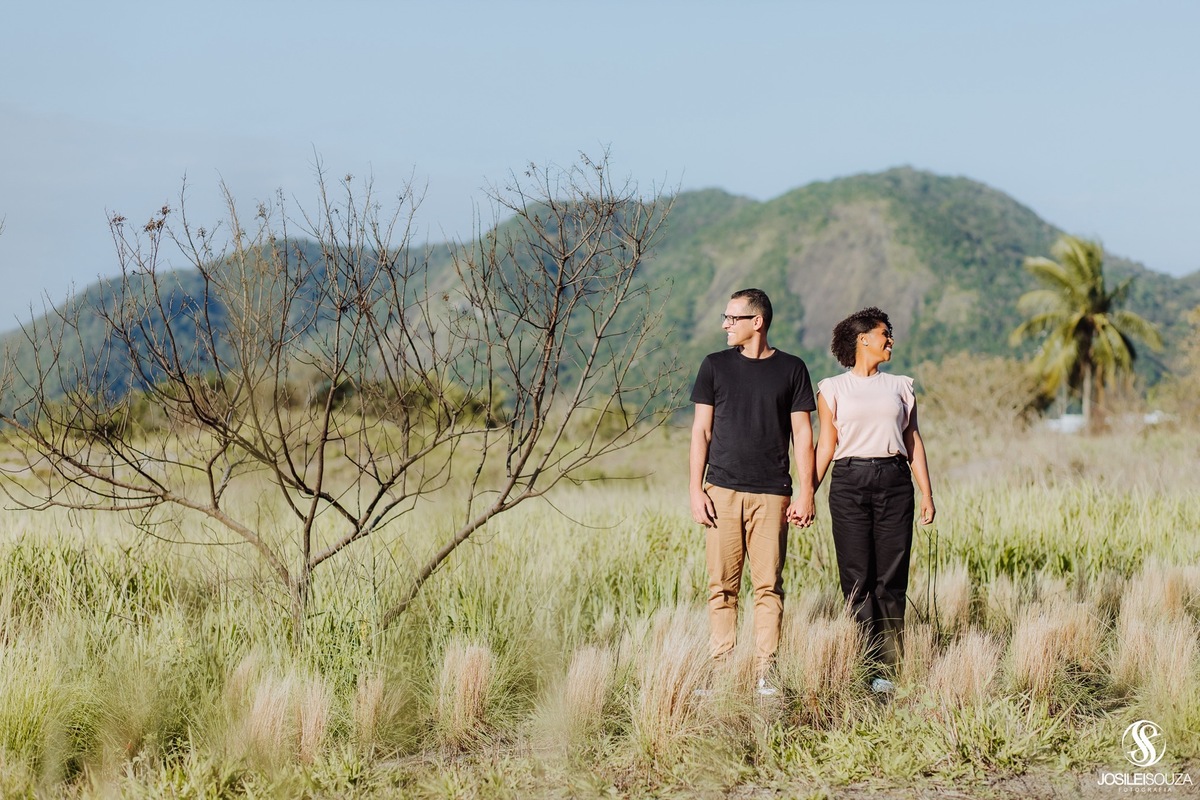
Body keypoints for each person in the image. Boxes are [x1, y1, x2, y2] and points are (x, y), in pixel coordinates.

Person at [690, 288, 816, 696]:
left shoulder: (793, 369)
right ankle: (721, 671)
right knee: (722, 587)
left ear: (756, 322)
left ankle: (767, 673)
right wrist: (696, 490)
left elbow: (802, 434)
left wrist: (806, 493)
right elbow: (701, 432)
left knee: (768, 587)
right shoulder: (714, 366)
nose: (725, 325)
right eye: (725, 319)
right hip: (721, 490)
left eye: (732, 318)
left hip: (773, 494)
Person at [815, 307, 935, 694]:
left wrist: (927, 494)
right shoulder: (831, 388)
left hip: (895, 482)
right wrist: (805, 495)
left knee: (891, 578)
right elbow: (825, 446)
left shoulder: (901, 385)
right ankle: (865, 663)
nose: (890, 340)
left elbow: (913, 441)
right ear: (863, 338)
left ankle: (890, 663)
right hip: (848, 481)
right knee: (856, 578)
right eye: (885, 333)